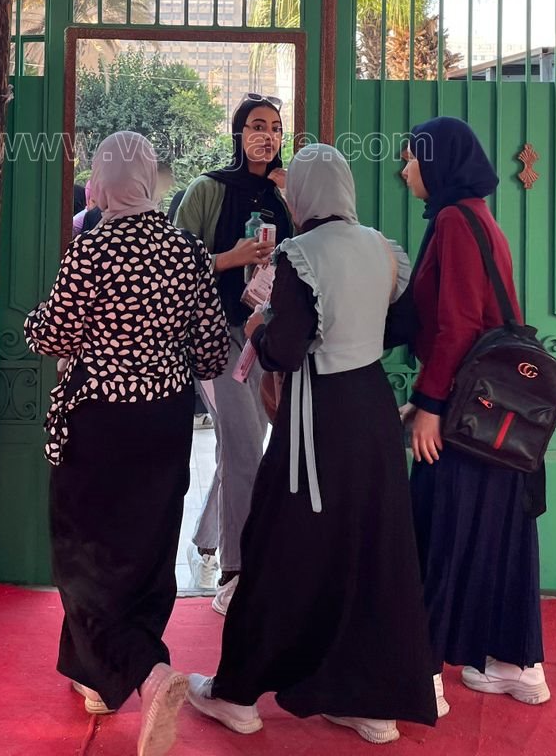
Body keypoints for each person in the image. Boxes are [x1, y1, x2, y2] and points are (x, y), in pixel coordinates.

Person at [185, 145, 438, 746]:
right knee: (369, 549)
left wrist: (259, 328)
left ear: (301, 194)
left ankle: (236, 694)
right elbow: (404, 326)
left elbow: (284, 349)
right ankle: (368, 701)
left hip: (317, 416)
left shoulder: (299, 255)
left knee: (276, 545)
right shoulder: (384, 249)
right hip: (371, 410)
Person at [24, 132, 232, 756]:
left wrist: (39, 323)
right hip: (163, 420)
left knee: (84, 551)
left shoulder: (91, 249)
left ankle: (146, 672)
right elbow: (212, 352)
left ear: (103, 182)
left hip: (98, 420)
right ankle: (97, 679)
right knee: (146, 546)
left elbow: (53, 334)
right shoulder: (188, 250)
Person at [399, 116, 552, 709]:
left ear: (438, 163)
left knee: (436, 529)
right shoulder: (478, 217)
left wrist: (431, 405)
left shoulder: (454, 222)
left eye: (413, 158)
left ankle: (422, 676)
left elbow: (459, 324)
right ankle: (516, 666)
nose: (406, 169)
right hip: (494, 412)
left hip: (465, 413)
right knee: (498, 533)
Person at [172, 93, 294, 613]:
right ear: (238, 134)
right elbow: (174, 263)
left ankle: (207, 537)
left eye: (276, 127)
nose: (267, 135)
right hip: (216, 337)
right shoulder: (208, 189)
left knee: (242, 442)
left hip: (267, 338)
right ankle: (237, 569)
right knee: (244, 446)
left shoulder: (287, 193)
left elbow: (310, 255)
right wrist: (228, 258)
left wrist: (293, 197)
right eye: (256, 126)